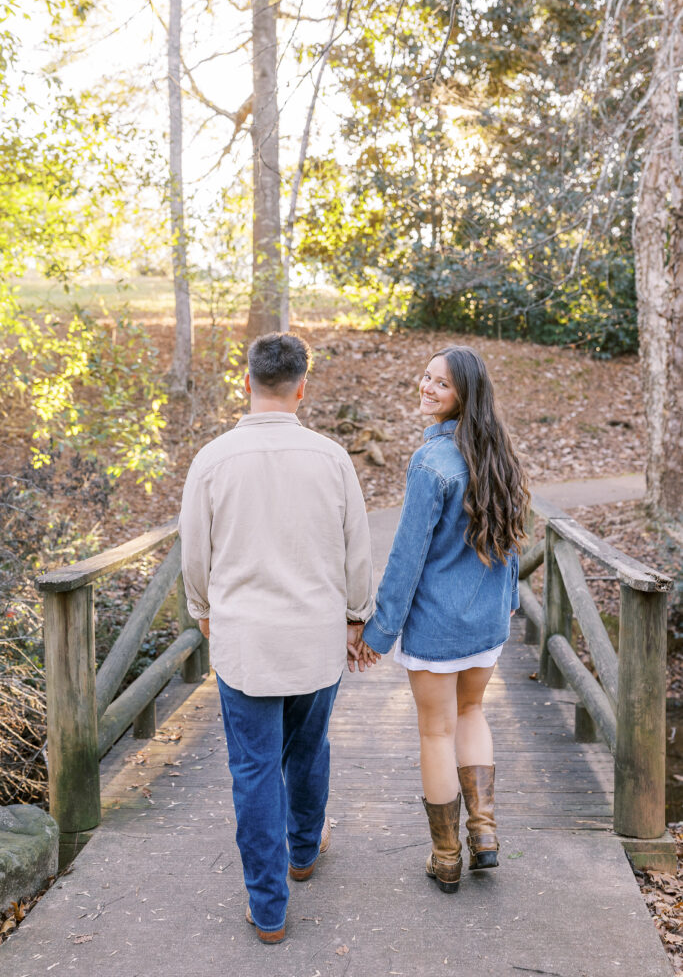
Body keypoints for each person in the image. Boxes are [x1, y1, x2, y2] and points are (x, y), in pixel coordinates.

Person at [178, 332, 375, 943]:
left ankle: (269, 909)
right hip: (314, 642)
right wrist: (355, 617)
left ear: (247, 382)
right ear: (302, 388)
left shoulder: (212, 459)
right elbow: (357, 549)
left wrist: (204, 610)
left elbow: (194, 554)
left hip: (246, 646)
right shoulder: (332, 457)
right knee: (308, 750)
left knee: (255, 769)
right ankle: (303, 853)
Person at [360, 345, 529, 894]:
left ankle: (447, 856)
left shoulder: (430, 462)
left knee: (437, 732)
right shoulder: (498, 452)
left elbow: (407, 556)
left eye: (442, 384)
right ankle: (485, 836)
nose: (427, 388)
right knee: (473, 711)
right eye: (426, 377)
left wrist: (378, 632)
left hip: (437, 625)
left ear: (464, 395)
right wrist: (508, 601)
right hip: (486, 623)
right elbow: (511, 539)